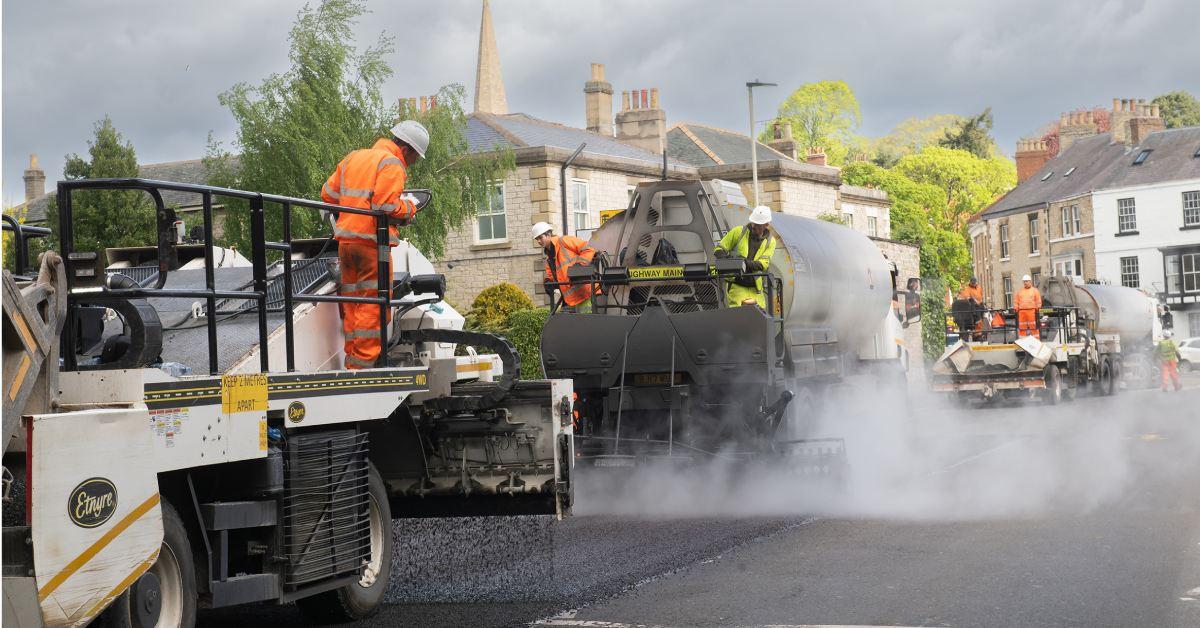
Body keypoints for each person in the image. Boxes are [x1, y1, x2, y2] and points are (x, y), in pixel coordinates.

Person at [321, 120, 429, 369]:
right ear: (407, 149)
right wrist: (409, 208)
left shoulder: (353, 157)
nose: (411, 163)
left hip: (346, 244)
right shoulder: (392, 164)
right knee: (374, 305)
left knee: (353, 302)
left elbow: (327, 193)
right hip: (371, 244)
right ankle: (362, 367)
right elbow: (385, 206)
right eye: (414, 157)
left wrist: (355, 208)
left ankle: (352, 361)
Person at [715, 206, 776, 308]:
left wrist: (742, 263)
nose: (754, 226)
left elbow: (764, 264)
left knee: (761, 319)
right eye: (754, 223)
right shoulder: (738, 232)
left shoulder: (770, 241)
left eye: (758, 225)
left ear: (766, 224)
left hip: (755, 289)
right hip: (737, 285)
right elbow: (719, 250)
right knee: (738, 318)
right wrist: (730, 262)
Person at [534, 222, 597, 313]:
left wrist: (580, 266)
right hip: (569, 299)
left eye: (540, 237)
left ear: (549, 235)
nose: (539, 241)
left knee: (585, 324)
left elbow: (588, 248)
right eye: (537, 239)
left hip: (584, 294)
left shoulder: (564, 241)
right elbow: (553, 277)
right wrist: (548, 282)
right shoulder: (549, 258)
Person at [1014, 274, 1043, 338]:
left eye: (1026, 281)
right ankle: (1022, 342)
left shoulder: (1035, 291)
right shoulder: (1020, 291)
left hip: (1032, 311)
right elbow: (1016, 301)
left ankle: (1036, 342)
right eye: (1024, 281)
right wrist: (1016, 309)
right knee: (1022, 328)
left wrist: (1037, 309)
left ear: (1030, 281)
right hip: (1022, 312)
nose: (1025, 283)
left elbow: (1038, 301)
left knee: (1034, 327)